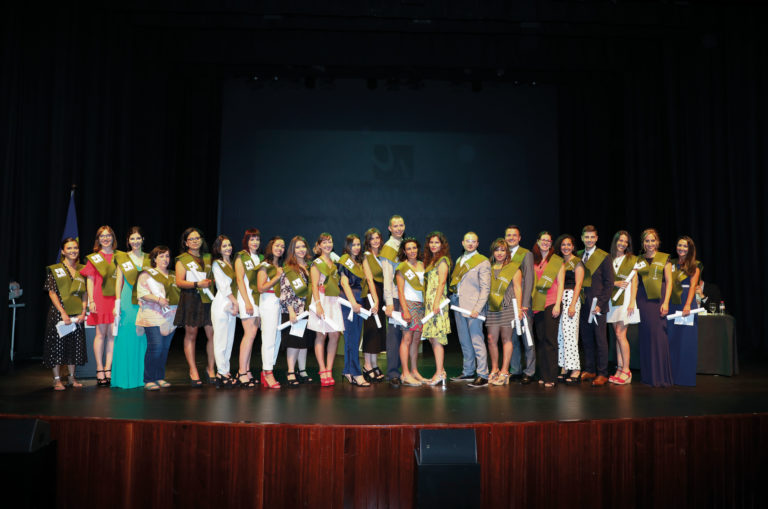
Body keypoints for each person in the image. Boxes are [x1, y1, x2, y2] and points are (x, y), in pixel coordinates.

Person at [43, 238, 87, 390]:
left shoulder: (82, 270)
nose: (73, 251)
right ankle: (56, 380)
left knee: (74, 346)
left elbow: (85, 293)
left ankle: (72, 378)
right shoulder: (56, 270)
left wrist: (83, 312)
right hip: (59, 314)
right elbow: (52, 292)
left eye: (75, 248)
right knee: (57, 346)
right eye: (69, 248)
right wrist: (62, 312)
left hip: (77, 314)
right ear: (63, 251)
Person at [174, 227, 215, 386]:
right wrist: (197, 284)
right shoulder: (182, 259)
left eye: (197, 238)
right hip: (191, 298)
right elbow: (179, 281)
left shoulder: (208, 257)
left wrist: (211, 282)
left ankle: (211, 368)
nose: (195, 241)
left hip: (208, 299)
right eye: (191, 239)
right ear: (186, 242)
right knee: (191, 335)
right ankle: (193, 370)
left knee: (213, 334)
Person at [449, 232, 491, 388]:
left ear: (477, 244)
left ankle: (483, 374)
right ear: (463, 243)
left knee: (477, 341)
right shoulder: (459, 260)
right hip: (458, 305)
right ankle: (468, 371)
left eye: (474, 241)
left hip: (474, 308)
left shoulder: (483, 261)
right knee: (464, 341)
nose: (470, 243)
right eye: (468, 241)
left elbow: (485, 288)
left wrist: (478, 309)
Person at [135, 246, 179, 390]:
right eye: (161, 256)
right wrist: (158, 299)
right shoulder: (147, 274)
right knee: (156, 347)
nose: (165, 259)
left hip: (170, 316)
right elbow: (142, 293)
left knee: (165, 349)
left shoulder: (174, 275)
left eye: (167, 256)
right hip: (152, 315)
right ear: (154, 259)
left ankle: (159, 377)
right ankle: (148, 379)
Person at [112, 227, 150, 389]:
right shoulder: (123, 258)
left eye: (138, 238)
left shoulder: (150, 258)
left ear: (143, 239)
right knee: (126, 337)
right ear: (128, 241)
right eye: (132, 239)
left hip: (146, 301)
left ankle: (142, 377)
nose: (135, 241)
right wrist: (117, 304)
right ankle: (123, 378)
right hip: (127, 301)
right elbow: (118, 282)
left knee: (143, 338)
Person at [81, 225, 119, 387]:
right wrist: (91, 301)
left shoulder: (120, 256)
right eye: (102, 236)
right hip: (99, 299)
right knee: (100, 334)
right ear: (98, 239)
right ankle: (99, 368)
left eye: (108, 235)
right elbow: (89, 280)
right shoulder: (94, 258)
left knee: (112, 335)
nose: (106, 238)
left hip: (116, 299)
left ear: (113, 238)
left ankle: (108, 368)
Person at [577, 225, 614, 387]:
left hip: (597, 306)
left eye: (592, 237)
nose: (589, 240)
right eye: (587, 237)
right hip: (582, 304)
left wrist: (600, 304)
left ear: (597, 238)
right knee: (586, 339)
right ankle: (590, 369)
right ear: (582, 238)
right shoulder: (578, 255)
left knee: (600, 340)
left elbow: (609, 283)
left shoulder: (604, 256)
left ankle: (602, 373)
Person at [636, 228, 673, 387]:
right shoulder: (638, 259)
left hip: (659, 300)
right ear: (643, 243)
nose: (650, 243)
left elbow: (669, 282)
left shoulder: (664, 258)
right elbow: (635, 282)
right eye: (647, 241)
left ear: (657, 242)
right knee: (646, 336)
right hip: (642, 300)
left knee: (658, 336)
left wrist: (666, 302)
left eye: (653, 240)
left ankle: (660, 376)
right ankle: (648, 376)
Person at [339, 234, 377, 387]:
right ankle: (356, 373)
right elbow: (344, 283)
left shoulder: (360, 261)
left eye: (358, 244)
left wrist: (375, 300)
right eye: (353, 245)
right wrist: (353, 303)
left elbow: (369, 280)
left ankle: (348, 370)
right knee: (352, 338)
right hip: (349, 303)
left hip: (359, 301)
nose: (356, 247)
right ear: (347, 246)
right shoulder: (344, 260)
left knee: (353, 338)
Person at [663, 236, 701, 386]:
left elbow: (692, 287)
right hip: (672, 303)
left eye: (685, 246)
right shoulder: (671, 263)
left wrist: (688, 305)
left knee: (686, 341)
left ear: (690, 249)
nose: (682, 248)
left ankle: (685, 378)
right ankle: (671, 376)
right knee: (672, 340)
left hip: (686, 304)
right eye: (680, 245)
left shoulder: (695, 266)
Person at [485, 238, 523, 386]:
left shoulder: (514, 268)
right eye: (497, 250)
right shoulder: (488, 268)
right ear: (493, 252)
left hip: (508, 307)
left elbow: (518, 288)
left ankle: (505, 371)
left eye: (503, 250)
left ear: (507, 252)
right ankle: (494, 368)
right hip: (492, 307)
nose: (499, 253)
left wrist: (519, 308)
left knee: (506, 339)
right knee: (491, 339)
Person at [309, 233, 345, 387]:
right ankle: (322, 369)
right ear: (319, 246)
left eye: (329, 242)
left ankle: (329, 369)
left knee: (335, 335)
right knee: (321, 334)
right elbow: (314, 285)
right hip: (321, 300)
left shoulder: (335, 263)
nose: (327, 245)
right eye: (324, 242)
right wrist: (318, 304)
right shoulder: (316, 263)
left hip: (333, 301)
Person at [606, 230, 640, 385]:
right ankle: (619, 369)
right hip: (613, 299)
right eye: (620, 240)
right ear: (615, 241)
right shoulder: (609, 259)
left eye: (626, 241)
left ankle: (626, 370)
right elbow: (605, 280)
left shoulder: (632, 259)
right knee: (617, 334)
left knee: (621, 334)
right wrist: (615, 283)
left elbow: (635, 282)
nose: (623, 244)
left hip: (626, 299)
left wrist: (632, 302)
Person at [531, 231, 565, 388]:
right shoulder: (533, 260)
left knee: (550, 340)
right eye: (543, 240)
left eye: (548, 241)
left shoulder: (557, 261)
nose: (545, 243)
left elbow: (561, 284)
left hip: (552, 303)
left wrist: (558, 304)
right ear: (538, 242)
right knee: (541, 340)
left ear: (551, 244)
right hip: (538, 304)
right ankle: (543, 375)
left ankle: (551, 376)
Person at [504, 225, 536, 385]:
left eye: (514, 235)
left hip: (522, 304)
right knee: (512, 338)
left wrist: (525, 304)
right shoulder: (502, 253)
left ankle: (529, 371)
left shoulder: (526, 254)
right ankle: (515, 369)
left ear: (519, 238)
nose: (511, 238)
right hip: (508, 304)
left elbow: (529, 279)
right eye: (508, 235)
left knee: (527, 337)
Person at [280, 236, 314, 386]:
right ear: (292, 250)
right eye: (298, 247)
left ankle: (302, 371)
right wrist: (291, 311)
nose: (301, 250)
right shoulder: (289, 268)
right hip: (294, 311)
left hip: (307, 311)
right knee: (294, 343)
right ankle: (291, 371)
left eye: (303, 247)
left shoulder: (309, 267)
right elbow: (285, 291)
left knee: (303, 343)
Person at [421, 231, 452, 386]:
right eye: (431, 242)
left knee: (437, 338)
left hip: (437, 303)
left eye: (437, 242)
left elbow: (442, 282)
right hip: (430, 303)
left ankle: (439, 373)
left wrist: (436, 303)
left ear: (442, 245)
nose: (433, 245)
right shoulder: (431, 260)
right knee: (432, 338)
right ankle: (441, 370)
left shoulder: (442, 260)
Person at [395, 237, 426, 386]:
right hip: (408, 304)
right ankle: (405, 373)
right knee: (406, 339)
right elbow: (400, 291)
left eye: (414, 248)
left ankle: (414, 371)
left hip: (421, 305)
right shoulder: (402, 267)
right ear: (404, 251)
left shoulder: (423, 265)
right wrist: (405, 310)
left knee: (416, 340)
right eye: (409, 248)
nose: (412, 251)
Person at [554, 234, 584, 385]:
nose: (566, 247)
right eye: (563, 245)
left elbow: (579, 284)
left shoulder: (577, 262)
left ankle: (576, 369)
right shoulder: (558, 262)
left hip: (572, 297)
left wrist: (572, 304)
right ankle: (564, 366)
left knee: (570, 334)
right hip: (559, 298)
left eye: (568, 245)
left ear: (573, 246)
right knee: (561, 335)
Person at [234, 228, 262, 387]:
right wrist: (247, 302)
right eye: (252, 239)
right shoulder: (241, 256)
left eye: (257, 239)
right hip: (247, 298)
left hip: (257, 299)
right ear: (246, 241)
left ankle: (247, 370)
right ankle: (241, 372)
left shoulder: (259, 258)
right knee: (249, 334)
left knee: (253, 335)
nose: (255, 242)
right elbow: (239, 280)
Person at [257, 237, 286, 389]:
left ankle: (268, 370)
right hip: (268, 302)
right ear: (271, 246)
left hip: (278, 303)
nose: (280, 248)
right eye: (277, 245)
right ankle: (268, 372)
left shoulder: (279, 266)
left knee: (277, 338)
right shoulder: (264, 266)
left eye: (282, 246)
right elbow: (261, 288)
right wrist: (277, 277)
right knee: (269, 338)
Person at [380, 215, 406, 386]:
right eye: (395, 226)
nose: (399, 228)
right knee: (394, 336)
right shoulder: (389, 248)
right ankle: (393, 373)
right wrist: (389, 302)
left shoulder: (404, 245)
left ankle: (405, 371)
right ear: (389, 228)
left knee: (406, 335)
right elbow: (387, 277)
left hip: (407, 297)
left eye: (401, 225)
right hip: (395, 298)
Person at [210, 235, 239, 387]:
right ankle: (221, 371)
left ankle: (225, 371)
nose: (228, 248)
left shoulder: (233, 264)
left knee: (229, 340)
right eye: (224, 246)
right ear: (218, 249)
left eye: (229, 245)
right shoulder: (217, 264)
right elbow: (223, 286)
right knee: (220, 340)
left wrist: (235, 303)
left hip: (232, 304)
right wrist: (235, 302)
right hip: (222, 303)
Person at [361, 228, 387, 382]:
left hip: (381, 293)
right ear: (368, 241)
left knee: (378, 329)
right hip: (371, 294)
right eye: (372, 238)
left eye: (377, 238)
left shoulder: (382, 255)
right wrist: (376, 300)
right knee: (371, 329)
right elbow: (369, 279)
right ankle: (367, 365)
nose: (375, 241)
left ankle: (374, 363)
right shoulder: (366, 256)